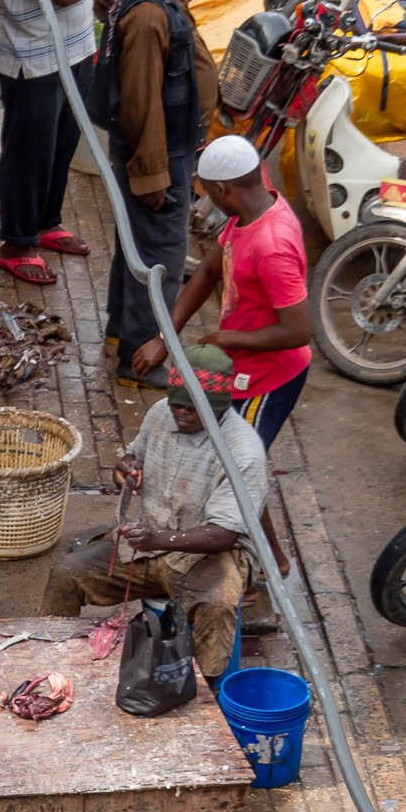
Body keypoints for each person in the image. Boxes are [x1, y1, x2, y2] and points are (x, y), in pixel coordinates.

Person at [130, 134, 308, 579]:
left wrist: (228, 339)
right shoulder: (246, 213)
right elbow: (211, 268)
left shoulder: (273, 246)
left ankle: (262, 567)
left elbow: (299, 330)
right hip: (239, 367)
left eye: (207, 191)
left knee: (239, 469)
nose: (205, 199)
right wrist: (165, 338)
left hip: (269, 378)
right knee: (234, 469)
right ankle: (273, 560)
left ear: (225, 189)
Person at [44, 346, 266, 681]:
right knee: (66, 573)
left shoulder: (243, 450)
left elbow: (224, 533)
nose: (181, 414)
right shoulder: (161, 413)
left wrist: (158, 540)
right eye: (177, 405)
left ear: (217, 407)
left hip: (210, 555)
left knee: (216, 605)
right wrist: (126, 470)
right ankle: (50, 665)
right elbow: (133, 457)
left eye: (191, 409)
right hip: (149, 543)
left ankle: (213, 691)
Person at [89, 0, 217, 385]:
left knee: (137, 246)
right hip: (159, 155)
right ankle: (138, 359)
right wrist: (152, 173)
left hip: (170, 147)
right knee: (160, 258)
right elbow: (141, 104)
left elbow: (106, 1)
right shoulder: (148, 14)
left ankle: (120, 331)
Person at [0, 0, 111, 285]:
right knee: (28, 156)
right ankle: (17, 242)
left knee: (62, 144)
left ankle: (45, 222)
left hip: (78, 48)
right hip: (35, 59)